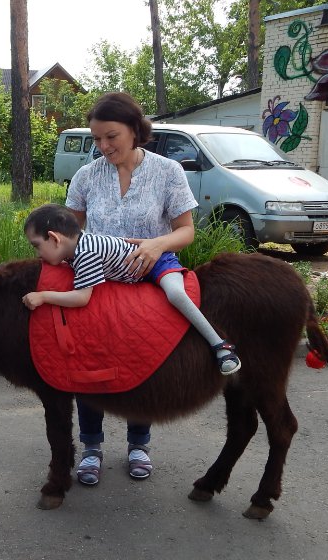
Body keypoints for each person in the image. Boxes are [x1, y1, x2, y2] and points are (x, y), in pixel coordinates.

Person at [56, 91, 240, 486]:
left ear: (134, 130)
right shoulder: (87, 176)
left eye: (111, 137)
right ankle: (91, 447)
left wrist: (157, 245)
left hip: (150, 278)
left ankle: (139, 444)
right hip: (99, 279)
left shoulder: (168, 171)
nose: (104, 146)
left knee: (141, 357)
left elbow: (186, 231)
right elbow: (70, 232)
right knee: (89, 361)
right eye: (97, 139)